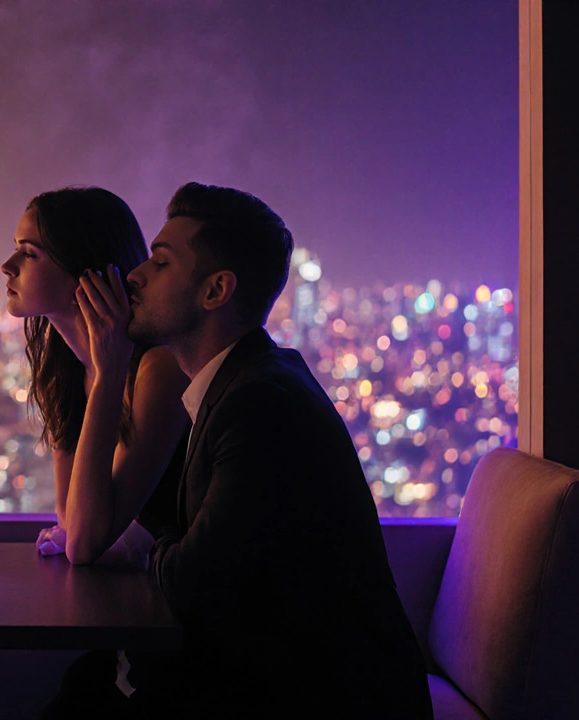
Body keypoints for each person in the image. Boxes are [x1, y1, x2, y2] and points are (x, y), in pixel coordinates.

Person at [108, 181, 435, 718]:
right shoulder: (246, 381)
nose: (136, 275)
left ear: (216, 291)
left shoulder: (259, 403)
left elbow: (194, 582)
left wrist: (150, 546)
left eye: (161, 263)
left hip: (324, 698)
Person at [0, 187, 192, 718]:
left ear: (87, 272)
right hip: (138, 629)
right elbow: (71, 516)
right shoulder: (67, 368)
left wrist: (109, 374)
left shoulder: (155, 370)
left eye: (29, 252)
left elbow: (81, 541)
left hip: (188, 647)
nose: (7, 264)